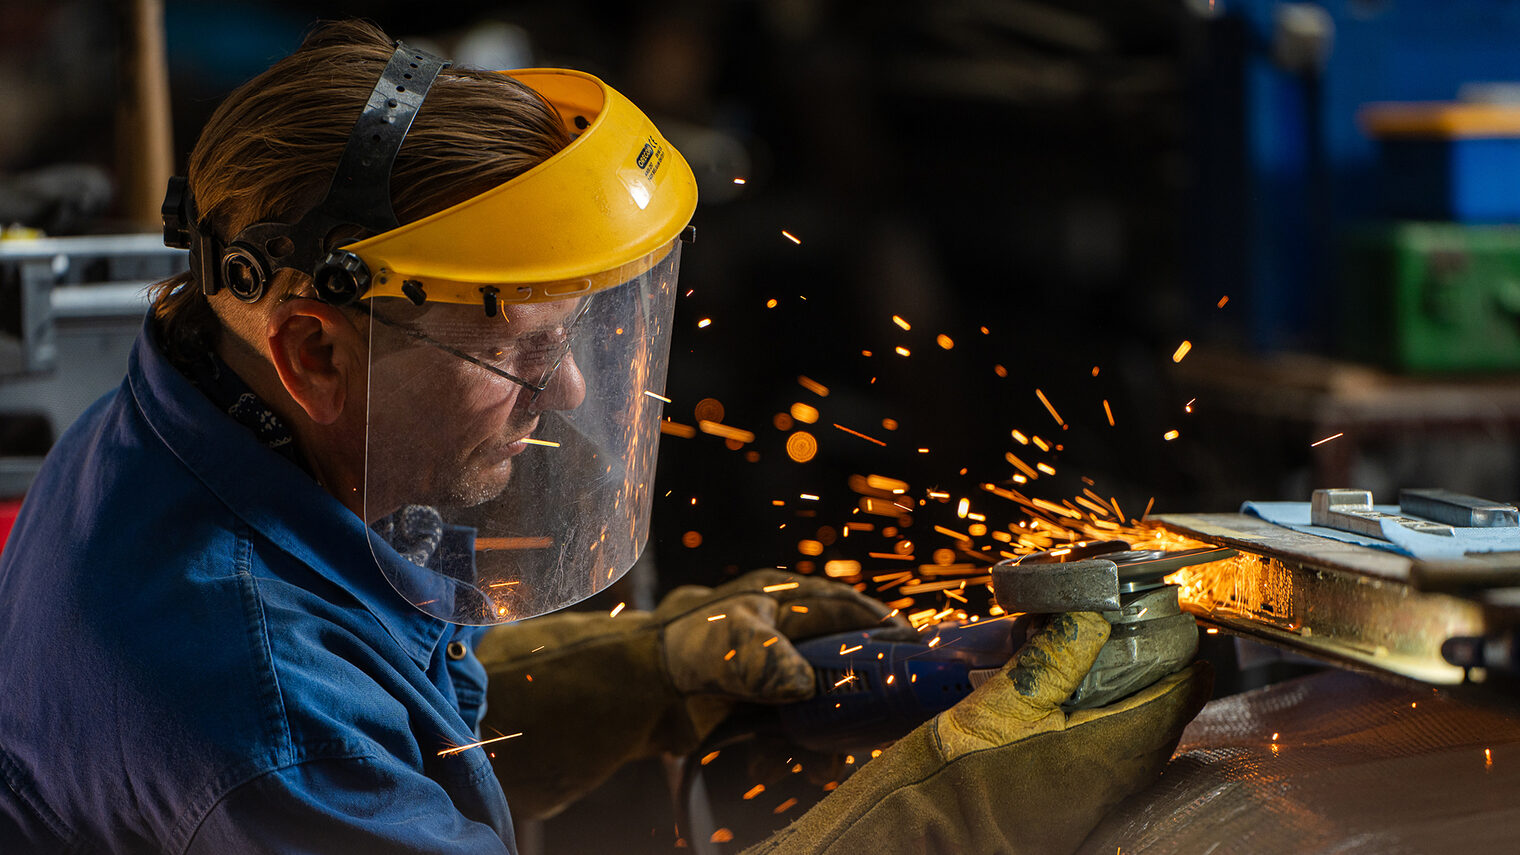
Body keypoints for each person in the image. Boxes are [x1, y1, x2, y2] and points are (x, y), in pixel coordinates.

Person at [0, 19, 1210, 854]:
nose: (572, 390)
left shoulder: (177, 432)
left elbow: (372, 718)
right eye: (518, 349)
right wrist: (969, 799)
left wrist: (639, 675)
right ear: (314, 350)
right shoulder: (255, 707)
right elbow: (303, 736)